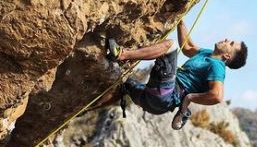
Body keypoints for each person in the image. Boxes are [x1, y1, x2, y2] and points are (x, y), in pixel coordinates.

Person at [105, 20, 248, 130]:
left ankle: (123, 54)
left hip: (166, 96)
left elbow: (217, 95)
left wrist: (189, 98)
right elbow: (188, 47)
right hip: (151, 101)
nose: (227, 39)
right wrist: (180, 21)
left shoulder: (218, 67)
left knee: (170, 45)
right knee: (120, 83)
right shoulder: (207, 53)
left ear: (228, 56)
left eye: (231, 43)